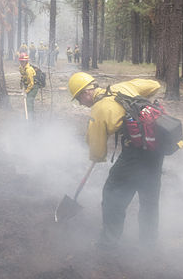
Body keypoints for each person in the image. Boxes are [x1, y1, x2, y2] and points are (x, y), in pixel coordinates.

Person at [68, 72, 163, 246]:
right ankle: (149, 244)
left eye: (78, 99)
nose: (81, 103)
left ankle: (108, 243)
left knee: (112, 196)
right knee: (149, 199)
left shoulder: (99, 109)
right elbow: (154, 86)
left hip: (134, 156)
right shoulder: (122, 87)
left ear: (85, 93)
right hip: (156, 151)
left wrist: (96, 155)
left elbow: (97, 151)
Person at [19, 53, 38, 119]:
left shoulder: (29, 70)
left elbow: (31, 83)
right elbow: (23, 76)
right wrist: (22, 83)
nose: (21, 63)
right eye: (21, 61)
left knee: (29, 100)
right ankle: (29, 115)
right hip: (28, 85)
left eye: (23, 61)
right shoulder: (21, 68)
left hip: (34, 86)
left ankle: (31, 118)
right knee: (27, 101)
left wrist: (26, 92)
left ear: (26, 61)